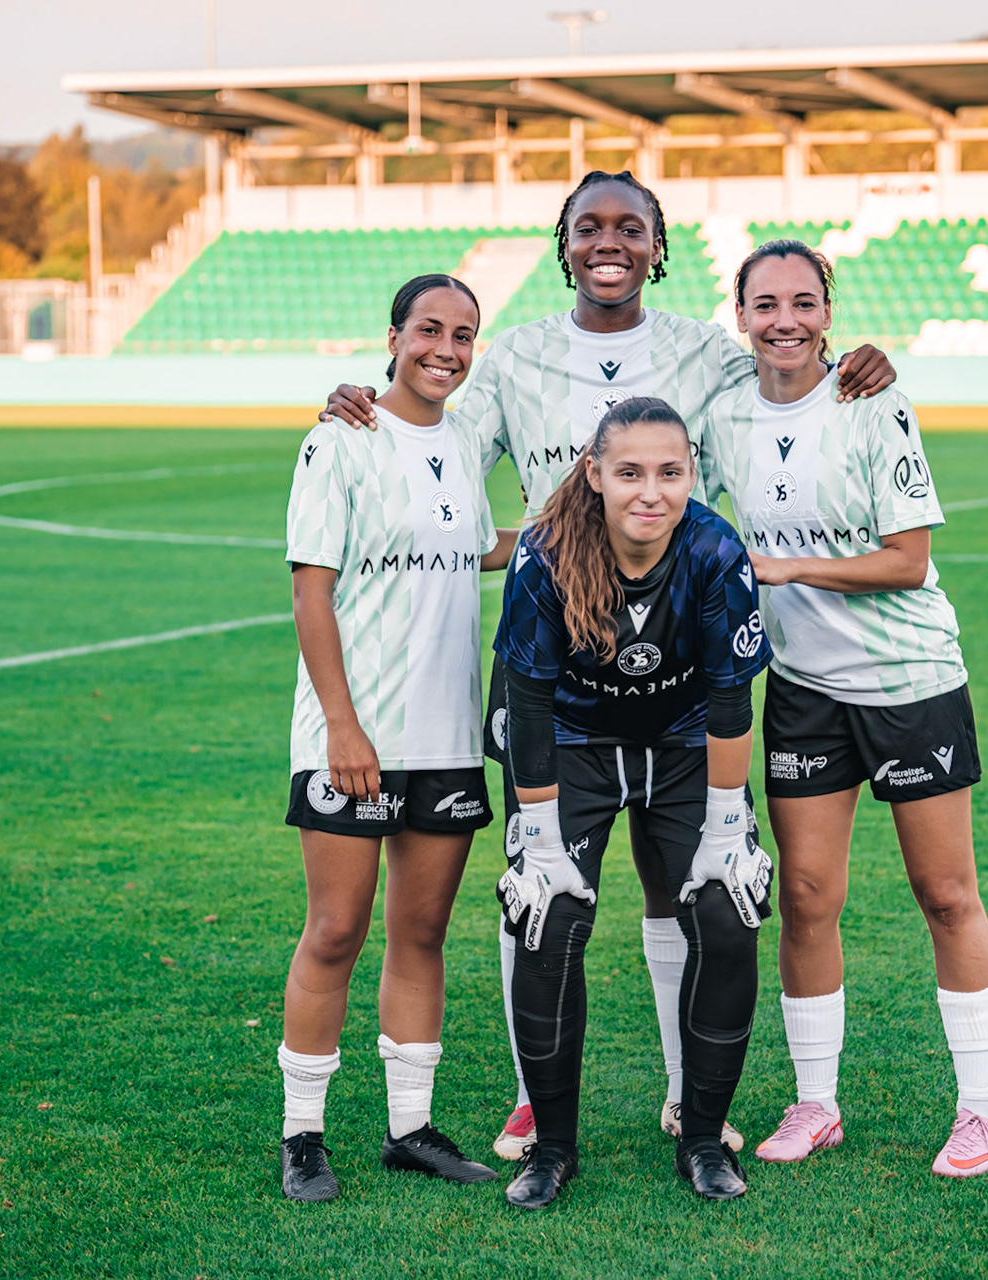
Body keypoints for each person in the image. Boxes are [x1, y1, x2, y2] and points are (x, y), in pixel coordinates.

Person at [320, 172, 897, 1161]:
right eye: (590, 226)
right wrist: (367, 403)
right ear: (563, 241)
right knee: (538, 879)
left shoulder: (703, 351)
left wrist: (853, 363)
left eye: (631, 226)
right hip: (552, 655)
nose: (610, 242)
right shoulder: (516, 357)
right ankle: (533, 1097)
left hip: (677, 649)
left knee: (687, 887)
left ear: (659, 244)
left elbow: (781, 374)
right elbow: (441, 453)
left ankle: (686, 1092)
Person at [702, 241, 988, 1178]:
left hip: (909, 680)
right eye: (766, 304)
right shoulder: (721, 414)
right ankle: (816, 1102)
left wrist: (785, 567)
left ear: (827, 313)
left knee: (946, 893)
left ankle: (979, 1112)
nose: (785, 319)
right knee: (804, 897)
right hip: (802, 690)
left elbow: (907, 559)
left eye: (803, 302)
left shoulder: (874, 401)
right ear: (742, 314)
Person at [492, 396, 772, 1208]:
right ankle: (550, 1149)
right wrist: (539, 841)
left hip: (686, 740)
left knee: (727, 909)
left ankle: (702, 1138)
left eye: (670, 472)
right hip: (572, 741)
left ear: (692, 474)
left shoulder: (716, 550)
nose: (651, 492)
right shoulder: (544, 554)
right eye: (629, 473)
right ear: (594, 475)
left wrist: (728, 830)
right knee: (547, 916)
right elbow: (530, 703)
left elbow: (729, 700)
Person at [276, 274, 516, 1201]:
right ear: (394, 335)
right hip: (355, 732)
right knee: (336, 930)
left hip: (445, 735)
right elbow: (311, 589)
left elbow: (472, 545)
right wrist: (341, 723)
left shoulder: (462, 440)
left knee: (421, 931)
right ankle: (303, 1137)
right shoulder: (340, 437)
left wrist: (573, 522)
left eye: (463, 335)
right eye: (429, 330)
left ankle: (409, 1128)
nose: (445, 350)